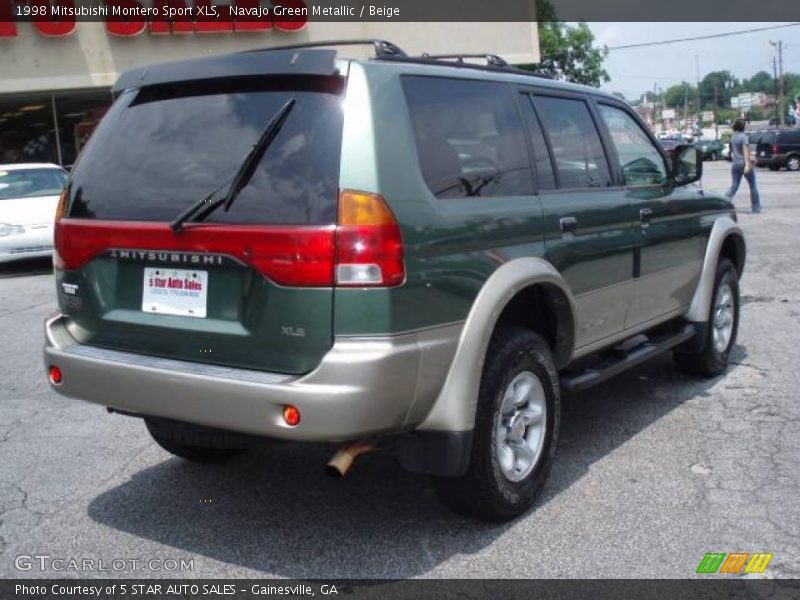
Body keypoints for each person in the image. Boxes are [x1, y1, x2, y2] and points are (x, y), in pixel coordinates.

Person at [725, 118, 762, 214]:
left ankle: (722, 204)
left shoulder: (733, 137)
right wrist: (748, 164)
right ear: (743, 127)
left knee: (734, 186)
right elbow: (746, 152)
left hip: (735, 164)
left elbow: (733, 152)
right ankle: (756, 208)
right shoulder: (744, 137)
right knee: (753, 186)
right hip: (743, 163)